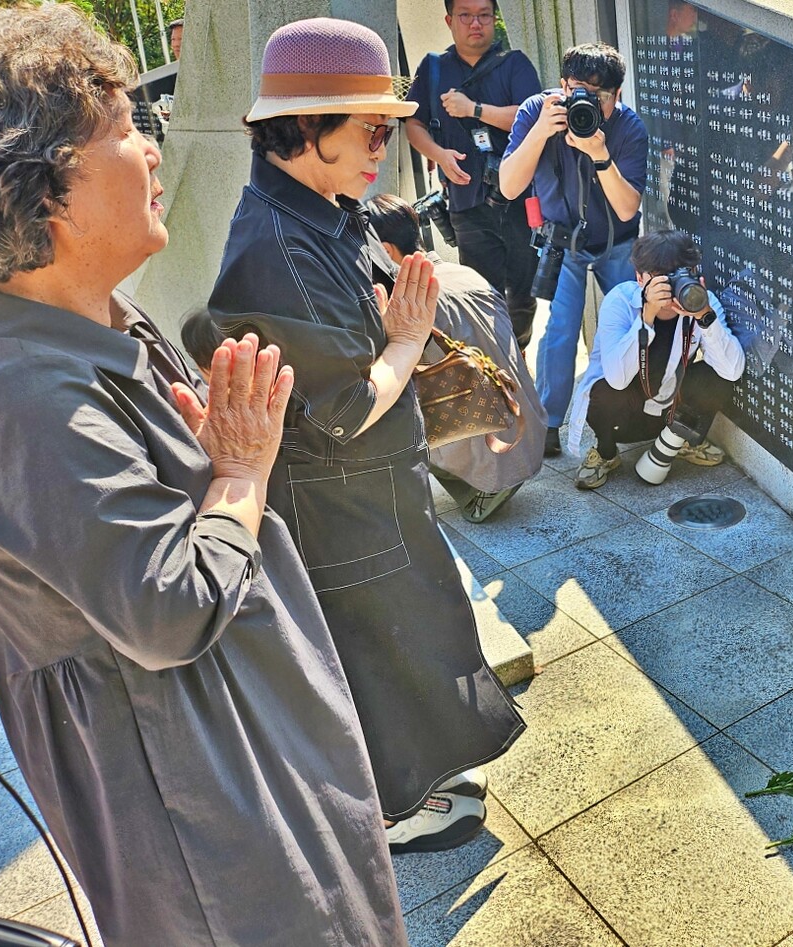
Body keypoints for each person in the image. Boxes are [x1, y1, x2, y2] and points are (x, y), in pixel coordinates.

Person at [0, 6, 406, 945]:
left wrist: (208, 467)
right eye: (127, 130)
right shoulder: (16, 399)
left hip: (239, 741)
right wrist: (243, 470)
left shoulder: (84, 319)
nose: (156, 148)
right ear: (40, 183)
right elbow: (168, 605)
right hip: (204, 803)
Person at [208, 17, 525, 853]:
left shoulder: (317, 208)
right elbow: (345, 406)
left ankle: (418, 786)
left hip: (372, 493)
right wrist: (409, 341)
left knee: (417, 631)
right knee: (384, 653)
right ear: (307, 127)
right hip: (342, 504)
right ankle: (399, 807)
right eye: (372, 127)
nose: (387, 143)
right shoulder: (276, 244)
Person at [499, 42, 648, 458]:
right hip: (561, 241)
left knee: (633, 323)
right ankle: (548, 422)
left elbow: (626, 206)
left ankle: (638, 409)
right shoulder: (536, 111)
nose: (586, 101)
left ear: (617, 95)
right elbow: (510, 186)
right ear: (563, 85)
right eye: (577, 89)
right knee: (561, 329)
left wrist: (600, 155)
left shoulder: (629, 128)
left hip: (617, 243)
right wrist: (541, 131)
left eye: (599, 95)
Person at [365, 193, 545, 522]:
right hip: (531, 432)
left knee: (383, 399)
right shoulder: (464, 273)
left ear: (386, 251)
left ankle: (483, 489)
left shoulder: (409, 304)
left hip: (497, 451)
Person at [405, 0, 543, 347]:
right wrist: (437, 153)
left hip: (520, 200)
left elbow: (534, 117)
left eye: (484, 15)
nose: (476, 23)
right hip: (465, 199)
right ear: (450, 20)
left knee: (523, 294)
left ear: (494, 19)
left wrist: (474, 110)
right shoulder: (434, 68)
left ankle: (519, 350)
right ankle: (495, 365)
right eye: (466, 15)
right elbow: (414, 124)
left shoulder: (514, 64)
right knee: (480, 292)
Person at [567, 230, 744, 490]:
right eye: (661, 276)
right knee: (602, 391)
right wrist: (646, 316)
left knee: (713, 379)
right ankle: (606, 454)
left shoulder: (702, 301)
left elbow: (732, 371)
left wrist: (705, 318)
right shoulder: (620, 301)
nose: (671, 285)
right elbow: (616, 379)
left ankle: (677, 439)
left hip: (671, 405)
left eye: (679, 274)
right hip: (623, 414)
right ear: (640, 278)